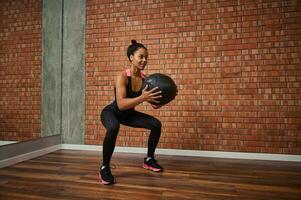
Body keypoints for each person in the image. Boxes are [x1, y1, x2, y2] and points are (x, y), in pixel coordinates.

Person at [99, 40, 164, 185]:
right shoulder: (122, 76)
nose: (144, 60)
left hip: (129, 115)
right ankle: (104, 167)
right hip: (112, 112)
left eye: (146, 57)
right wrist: (143, 97)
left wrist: (165, 97)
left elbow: (154, 105)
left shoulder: (145, 80)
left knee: (156, 124)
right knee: (113, 127)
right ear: (131, 58)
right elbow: (121, 104)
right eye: (141, 56)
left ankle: (149, 159)